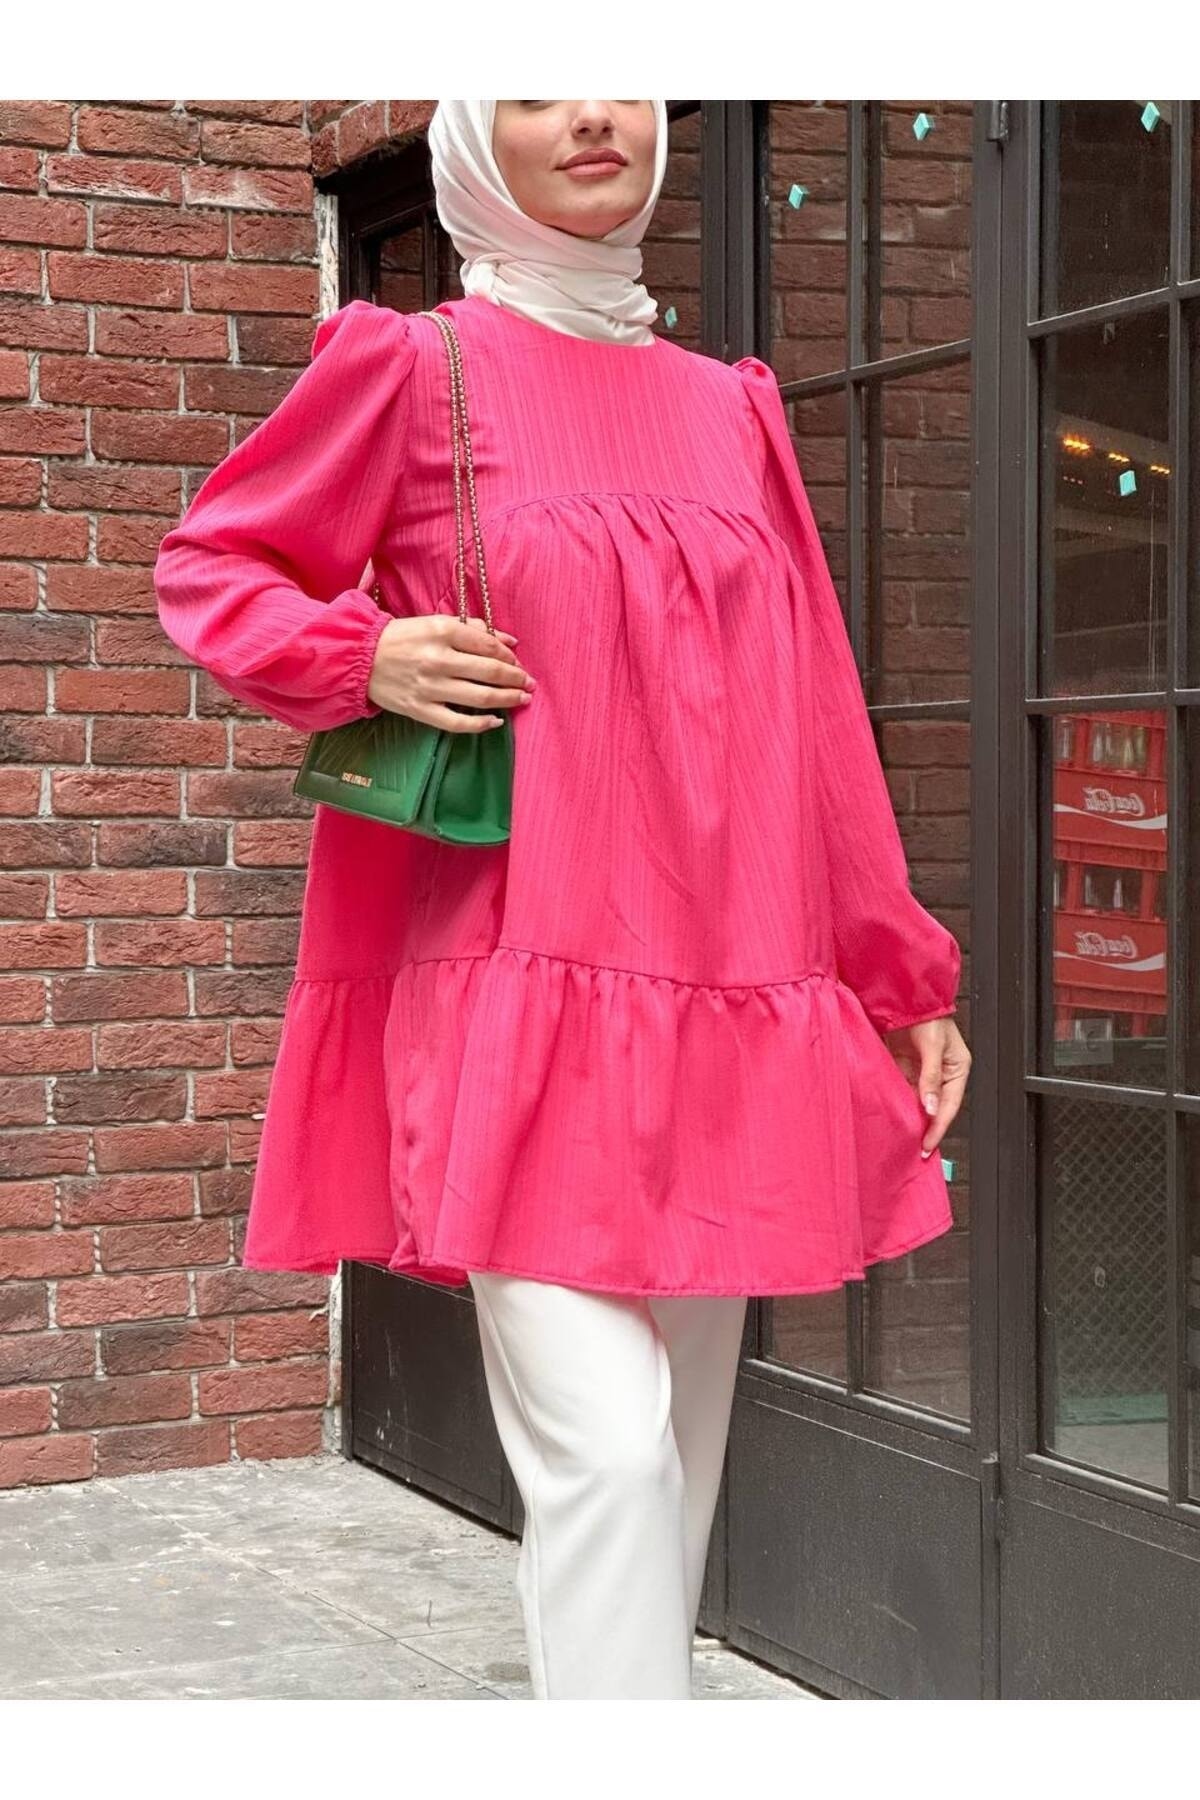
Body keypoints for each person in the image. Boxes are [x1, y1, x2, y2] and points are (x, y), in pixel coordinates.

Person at [153, 99, 971, 1700]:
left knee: (673, 1481)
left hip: (730, 993)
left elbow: (814, 702)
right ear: (474, 138)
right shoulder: (411, 369)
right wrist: (362, 653)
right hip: (510, 983)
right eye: (536, 83)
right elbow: (215, 567)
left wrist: (897, 970)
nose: (593, 112)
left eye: (620, 77)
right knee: (610, 1462)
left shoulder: (731, 407)